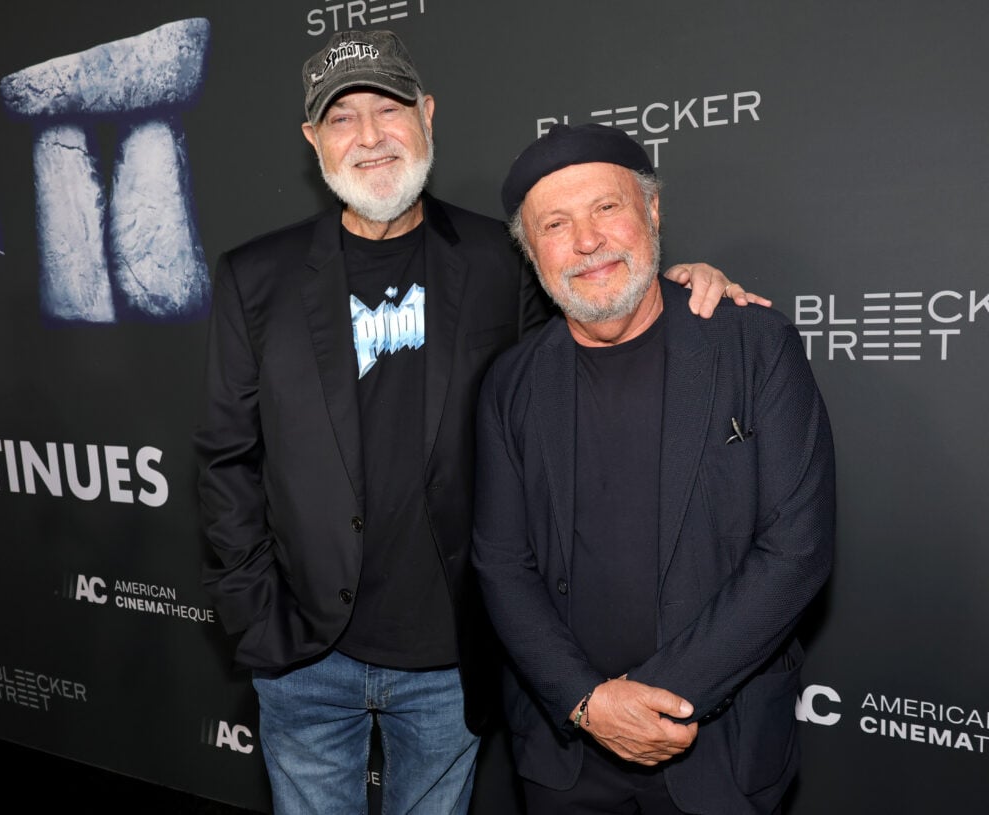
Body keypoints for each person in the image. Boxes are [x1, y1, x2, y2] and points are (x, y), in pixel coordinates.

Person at [195, 30, 762, 815]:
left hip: (453, 661)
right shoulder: (255, 276)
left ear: (427, 115)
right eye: (341, 118)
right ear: (312, 139)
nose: (369, 136)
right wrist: (259, 619)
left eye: (389, 109)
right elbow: (226, 458)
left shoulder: (501, 260)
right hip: (304, 657)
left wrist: (681, 282)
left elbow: (595, 311)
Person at [472, 122, 835, 815]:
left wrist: (650, 703)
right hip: (564, 753)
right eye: (555, 224)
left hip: (719, 748)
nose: (587, 241)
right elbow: (501, 563)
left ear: (652, 211)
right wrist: (587, 701)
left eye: (606, 207)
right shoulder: (510, 383)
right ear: (532, 251)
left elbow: (797, 549)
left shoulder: (754, 344)